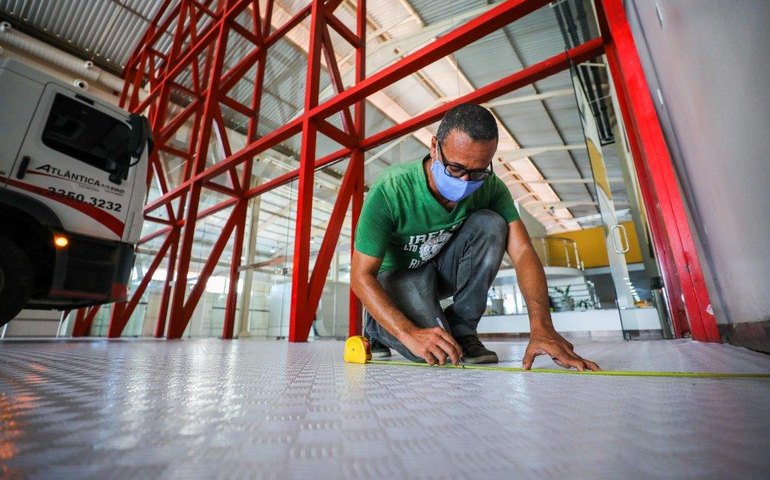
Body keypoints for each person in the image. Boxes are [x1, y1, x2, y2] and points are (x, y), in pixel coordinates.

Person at [350, 103, 599, 371]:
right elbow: (360, 276)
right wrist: (408, 333)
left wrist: (542, 328)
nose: (466, 181)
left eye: (479, 171)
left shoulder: (490, 188)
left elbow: (524, 252)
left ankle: (463, 329)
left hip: (436, 271)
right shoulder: (391, 189)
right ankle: (376, 327)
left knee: (492, 223)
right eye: (455, 168)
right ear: (434, 147)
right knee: (429, 351)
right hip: (395, 278)